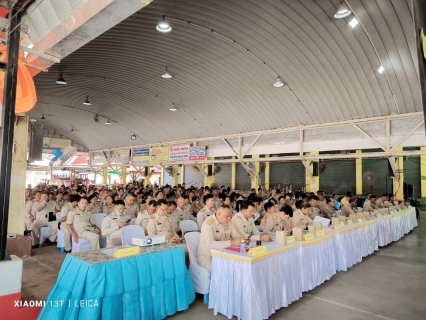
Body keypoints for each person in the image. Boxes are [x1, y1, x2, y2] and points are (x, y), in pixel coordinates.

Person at [197, 205, 249, 272]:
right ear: (219, 215)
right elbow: (210, 244)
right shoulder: (208, 224)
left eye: (230, 216)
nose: (229, 218)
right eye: (227, 216)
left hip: (223, 255)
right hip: (207, 256)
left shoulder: (229, 222)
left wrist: (243, 240)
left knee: (238, 267)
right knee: (220, 270)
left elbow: (236, 236)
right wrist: (232, 242)